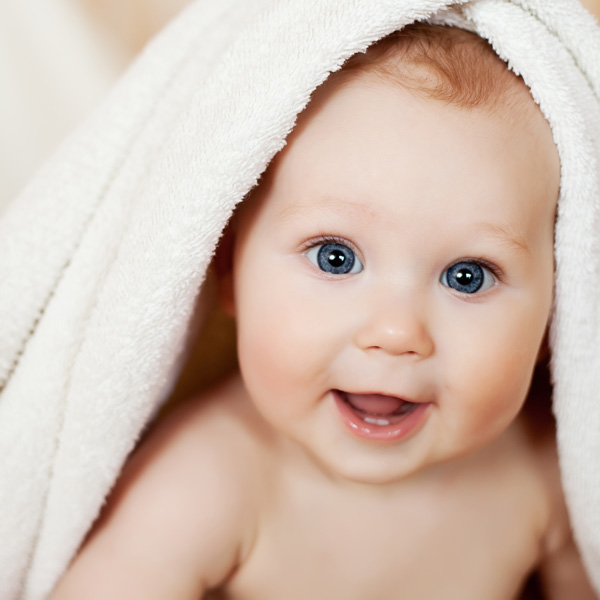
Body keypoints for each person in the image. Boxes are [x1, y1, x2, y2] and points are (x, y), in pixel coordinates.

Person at [50, 23, 597, 599]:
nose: (396, 332)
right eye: (336, 258)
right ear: (229, 268)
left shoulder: (544, 477)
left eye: (468, 276)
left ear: (557, 315)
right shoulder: (211, 483)